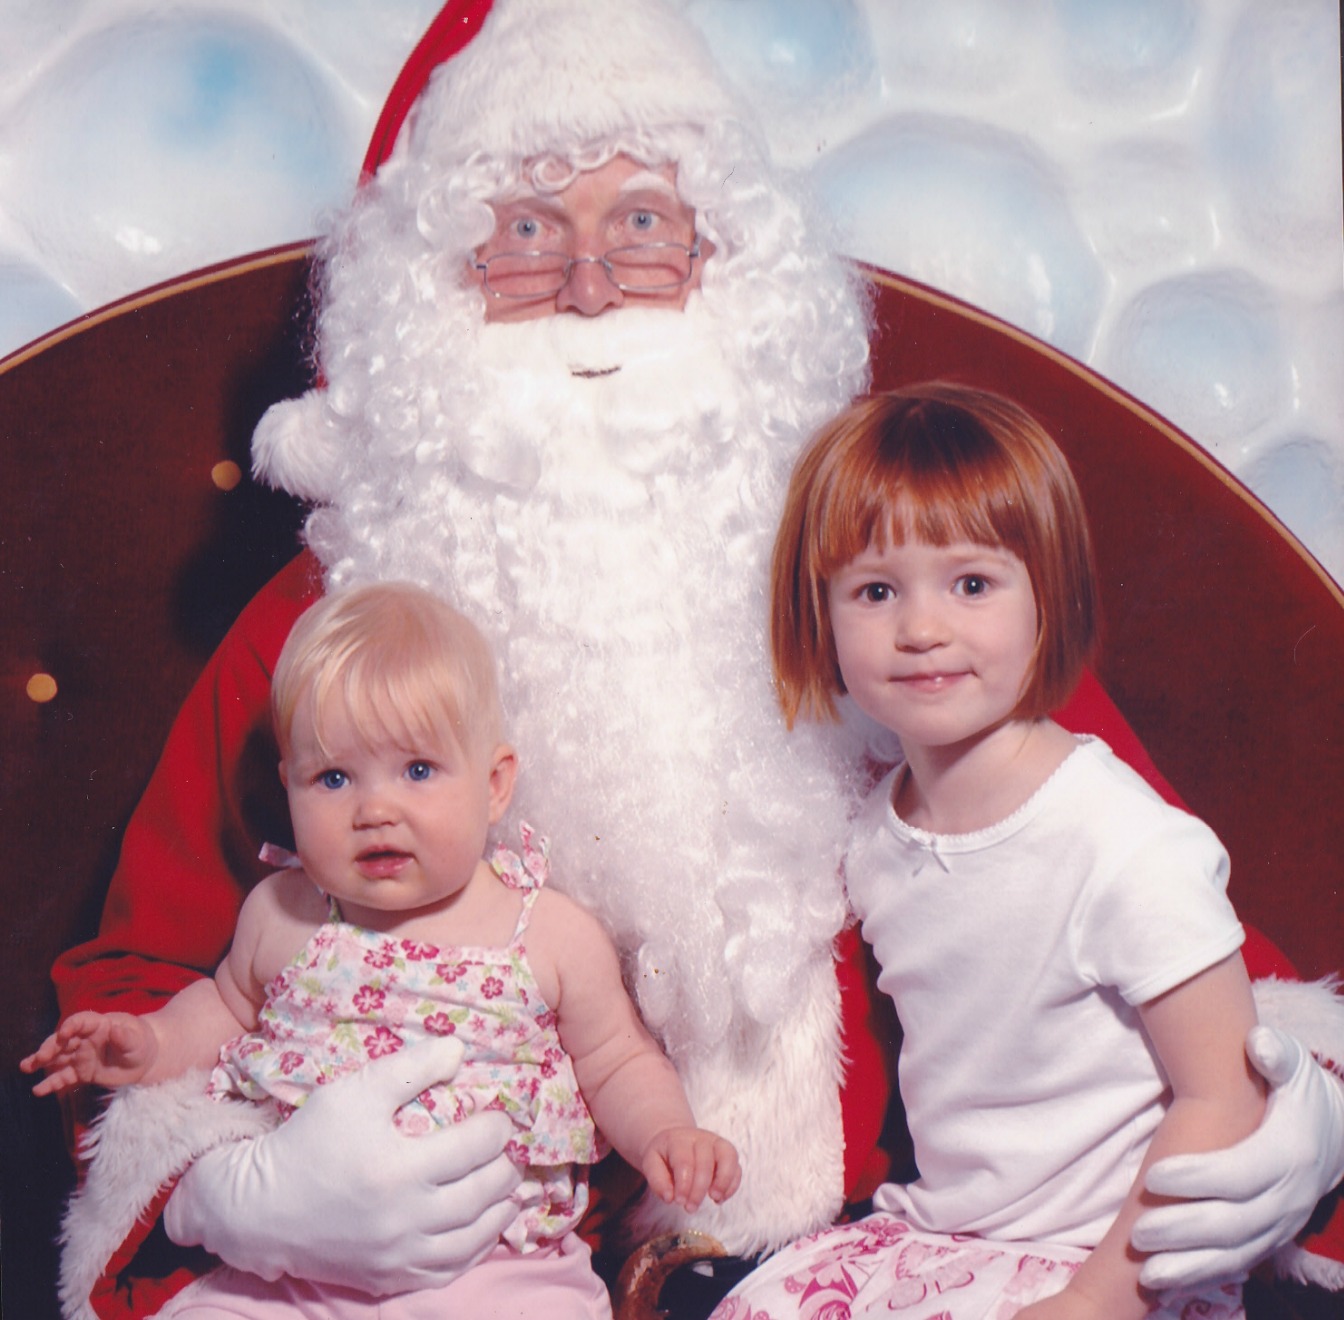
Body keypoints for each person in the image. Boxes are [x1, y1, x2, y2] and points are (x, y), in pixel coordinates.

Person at [48, 2, 1344, 1317]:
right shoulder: (335, 620)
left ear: (730, 257)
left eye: (643, 225)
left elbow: (1127, 873)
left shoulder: (874, 589)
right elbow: (140, 989)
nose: (591, 287)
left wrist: (1302, 1111)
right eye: (527, 233)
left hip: (848, 1248)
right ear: (426, 284)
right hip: (480, 1263)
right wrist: (229, 1188)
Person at [29, 582, 739, 1318]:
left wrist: (666, 1131)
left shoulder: (547, 934)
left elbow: (617, 1059)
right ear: (288, 785)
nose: (374, 810)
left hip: (496, 1269)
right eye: (333, 778)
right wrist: (147, 1043)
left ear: (495, 784)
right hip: (292, 1267)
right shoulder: (284, 914)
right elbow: (222, 1008)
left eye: (418, 771)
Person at [719, 383, 1265, 1319]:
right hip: (949, 1237)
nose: (922, 629)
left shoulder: (1119, 841)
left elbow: (1229, 1099)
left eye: (971, 584)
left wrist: (1094, 1301)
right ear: (820, 615)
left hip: (1117, 1259)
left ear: (1048, 598)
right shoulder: (875, 836)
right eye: (876, 591)